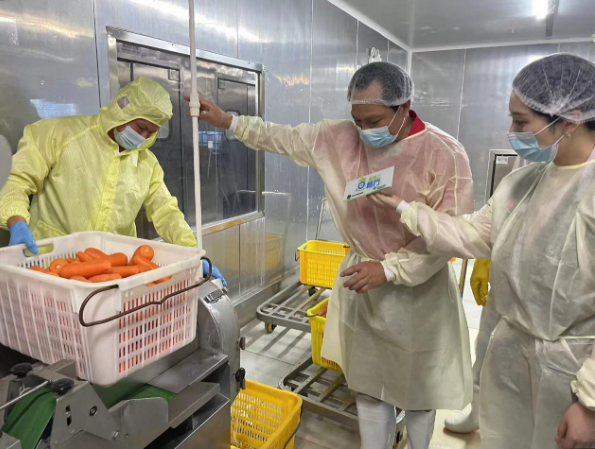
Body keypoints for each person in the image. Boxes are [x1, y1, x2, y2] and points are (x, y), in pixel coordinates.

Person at [194, 62, 474, 449]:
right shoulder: (338, 139)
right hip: (363, 287)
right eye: (358, 120)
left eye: (374, 120)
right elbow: (282, 137)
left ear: (405, 107)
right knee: (369, 386)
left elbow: (448, 234)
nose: (364, 130)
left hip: (419, 294)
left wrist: (390, 269)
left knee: (419, 391)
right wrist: (229, 121)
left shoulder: (445, 154)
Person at [369, 53, 595, 449]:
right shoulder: (523, 181)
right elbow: (473, 234)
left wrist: (590, 402)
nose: (512, 132)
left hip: (571, 371)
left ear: (571, 119)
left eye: (521, 122)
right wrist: (406, 209)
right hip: (511, 353)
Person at [0, 77, 225, 285]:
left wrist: (193, 254)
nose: (143, 138)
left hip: (114, 277)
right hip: (51, 267)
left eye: (151, 133)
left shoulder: (147, 164)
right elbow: (16, 178)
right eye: (141, 128)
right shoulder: (60, 134)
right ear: (122, 110)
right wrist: (16, 221)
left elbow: (167, 212)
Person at [445, 157, 532, 434]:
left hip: (549, 304)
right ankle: (478, 412)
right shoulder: (530, 158)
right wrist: (485, 259)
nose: (517, 136)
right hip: (505, 281)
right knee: (484, 348)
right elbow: (507, 207)